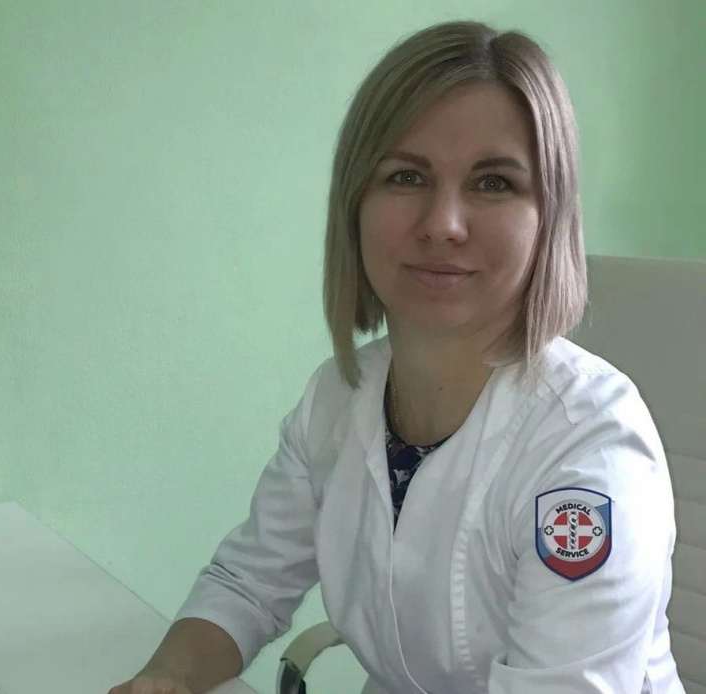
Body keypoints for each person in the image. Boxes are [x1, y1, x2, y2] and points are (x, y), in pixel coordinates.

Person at [109, 19, 684, 694]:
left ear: (549, 217)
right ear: (355, 205)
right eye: (406, 176)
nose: (443, 224)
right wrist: (165, 678)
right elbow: (247, 585)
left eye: (493, 183)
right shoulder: (338, 398)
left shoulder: (589, 454)